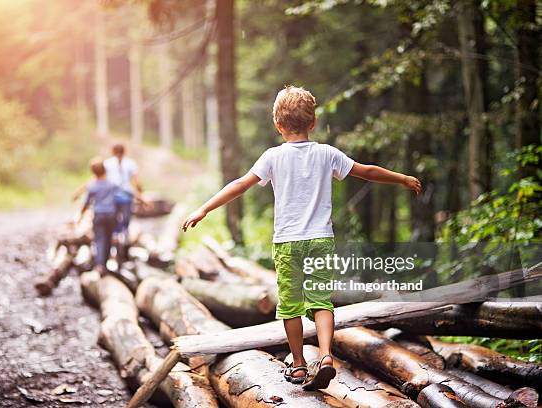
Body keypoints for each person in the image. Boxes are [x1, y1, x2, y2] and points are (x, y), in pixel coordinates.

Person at [181, 86, 422, 390]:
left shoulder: (272, 157)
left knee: (291, 305)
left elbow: (240, 185)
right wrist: (401, 178)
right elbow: (367, 171)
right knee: (321, 301)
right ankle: (325, 356)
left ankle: (297, 365)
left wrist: (204, 208)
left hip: (287, 242)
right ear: (313, 123)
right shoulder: (326, 153)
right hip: (320, 239)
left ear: (278, 125)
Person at [80, 158, 119, 274]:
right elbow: (121, 197)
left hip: (99, 215)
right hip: (111, 215)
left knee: (99, 239)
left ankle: (100, 265)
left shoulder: (92, 186)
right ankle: (105, 264)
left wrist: (81, 216)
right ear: (105, 170)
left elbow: (86, 203)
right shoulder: (111, 185)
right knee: (108, 239)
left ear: (93, 172)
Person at [103, 143, 144, 237]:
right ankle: (119, 233)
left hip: (124, 194)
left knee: (121, 217)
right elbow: (136, 181)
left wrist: (140, 194)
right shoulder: (107, 163)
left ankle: (121, 233)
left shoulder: (129, 163)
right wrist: (140, 194)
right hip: (114, 194)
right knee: (121, 216)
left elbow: (136, 181)